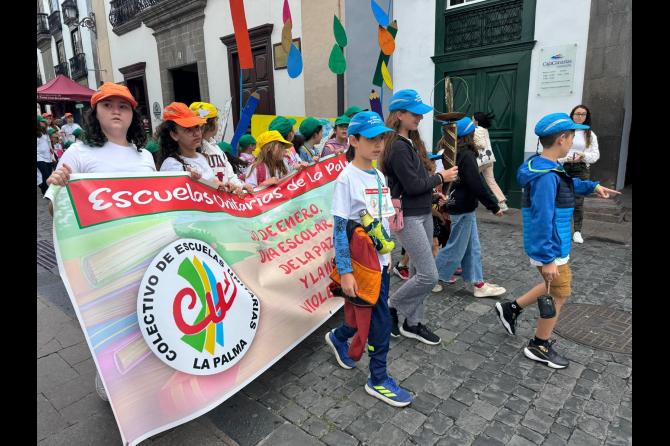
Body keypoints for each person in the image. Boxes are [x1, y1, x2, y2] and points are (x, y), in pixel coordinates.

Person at [45, 82, 155, 402]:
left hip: (145, 247)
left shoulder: (145, 156)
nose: (116, 111)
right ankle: (109, 374)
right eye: (108, 105)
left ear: (133, 115)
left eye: (123, 106)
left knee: (145, 309)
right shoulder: (79, 153)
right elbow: (55, 207)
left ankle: (145, 366)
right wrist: (58, 187)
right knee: (113, 316)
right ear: (96, 113)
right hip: (103, 255)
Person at [495, 112, 619, 369]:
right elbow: (543, 219)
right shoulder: (546, 175)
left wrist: (593, 187)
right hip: (551, 246)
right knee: (560, 292)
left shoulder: (546, 166)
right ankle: (539, 345)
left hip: (555, 243)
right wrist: (548, 258)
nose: (573, 141)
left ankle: (511, 309)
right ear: (562, 139)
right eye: (572, 136)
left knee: (554, 285)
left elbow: (567, 184)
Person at [326, 110, 412, 407]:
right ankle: (377, 378)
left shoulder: (378, 174)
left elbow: (382, 220)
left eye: (381, 139)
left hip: (382, 262)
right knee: (380, 320)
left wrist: (390, 252)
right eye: (371, 139)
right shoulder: (345, 179)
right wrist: (345, 271)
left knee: (362, 312)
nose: (378, 145)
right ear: (353, 140)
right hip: (362, 265)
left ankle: (339, 337)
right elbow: (339, 229)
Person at [380, 89, 458, 344]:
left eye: (420, 114)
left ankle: (413, 323)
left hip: (422, 212)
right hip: (409, 216)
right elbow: (413, 185)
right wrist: (440, 177)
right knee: (428, 275)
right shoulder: (397, 146)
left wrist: (433, 194)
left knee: (417, 271)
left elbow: (414, 183)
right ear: (399, 115)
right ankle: (392, 305)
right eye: (415, 114)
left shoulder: (409, 142)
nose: (420, 118)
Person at [434, 117, 507, 298]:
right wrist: (493, 206)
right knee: (455, 247)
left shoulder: (452, 152)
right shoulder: (466, 154)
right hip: (463, 207)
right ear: (469, 134)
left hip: (459, 205)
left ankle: (478, 284)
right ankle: (431, 278)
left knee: (472, 248)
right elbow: (476, 184)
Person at [189, 101, 252, 196]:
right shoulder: (195, 150)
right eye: (216, 120)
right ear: (209, 124)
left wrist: (241, 186)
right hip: (208, 197)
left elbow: (229, 174)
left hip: (224, 198)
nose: (218, 123)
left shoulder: (217, 148)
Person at [558, 105, 600, 244]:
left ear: (587, 117)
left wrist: (583, 156)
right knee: (561, 197)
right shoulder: (565, 132)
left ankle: (577, 231)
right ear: (572, 115)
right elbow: (556, 150)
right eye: (577, 114)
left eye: (583, 114)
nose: (580, 117)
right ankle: (561, 228)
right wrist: (566, 159)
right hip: (564, 166)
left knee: (578, 200)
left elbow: (595, 155)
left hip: (581, 168)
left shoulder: (590, 134)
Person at [157, 102, 221, 185]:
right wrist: (191, 182)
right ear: (174, 135)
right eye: (188, 130)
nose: (196, 134)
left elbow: (213, 184)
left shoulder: (202, 157)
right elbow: (172, 191)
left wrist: (223, 186)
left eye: (197, 127)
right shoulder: (171, 165)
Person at [473, 112, 508, 212]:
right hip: (489, 158)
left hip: (481, 160)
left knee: (470, 178)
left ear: (477, 121)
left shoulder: (477, 129)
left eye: (472, 119)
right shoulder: (485, 129)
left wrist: (472, 143)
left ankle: (472, 199)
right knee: (491, 181)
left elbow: (481, 144)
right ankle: (502, 203)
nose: (472, 121)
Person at [37, 115, 53, 196]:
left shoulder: (45, 133)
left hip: (48, 157)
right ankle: (45, 192)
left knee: (49, 174)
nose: (44, 123)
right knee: (45, 174)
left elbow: (49, 144)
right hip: (39, 157)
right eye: (42, 121)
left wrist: (52, 155)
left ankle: (46, 189)